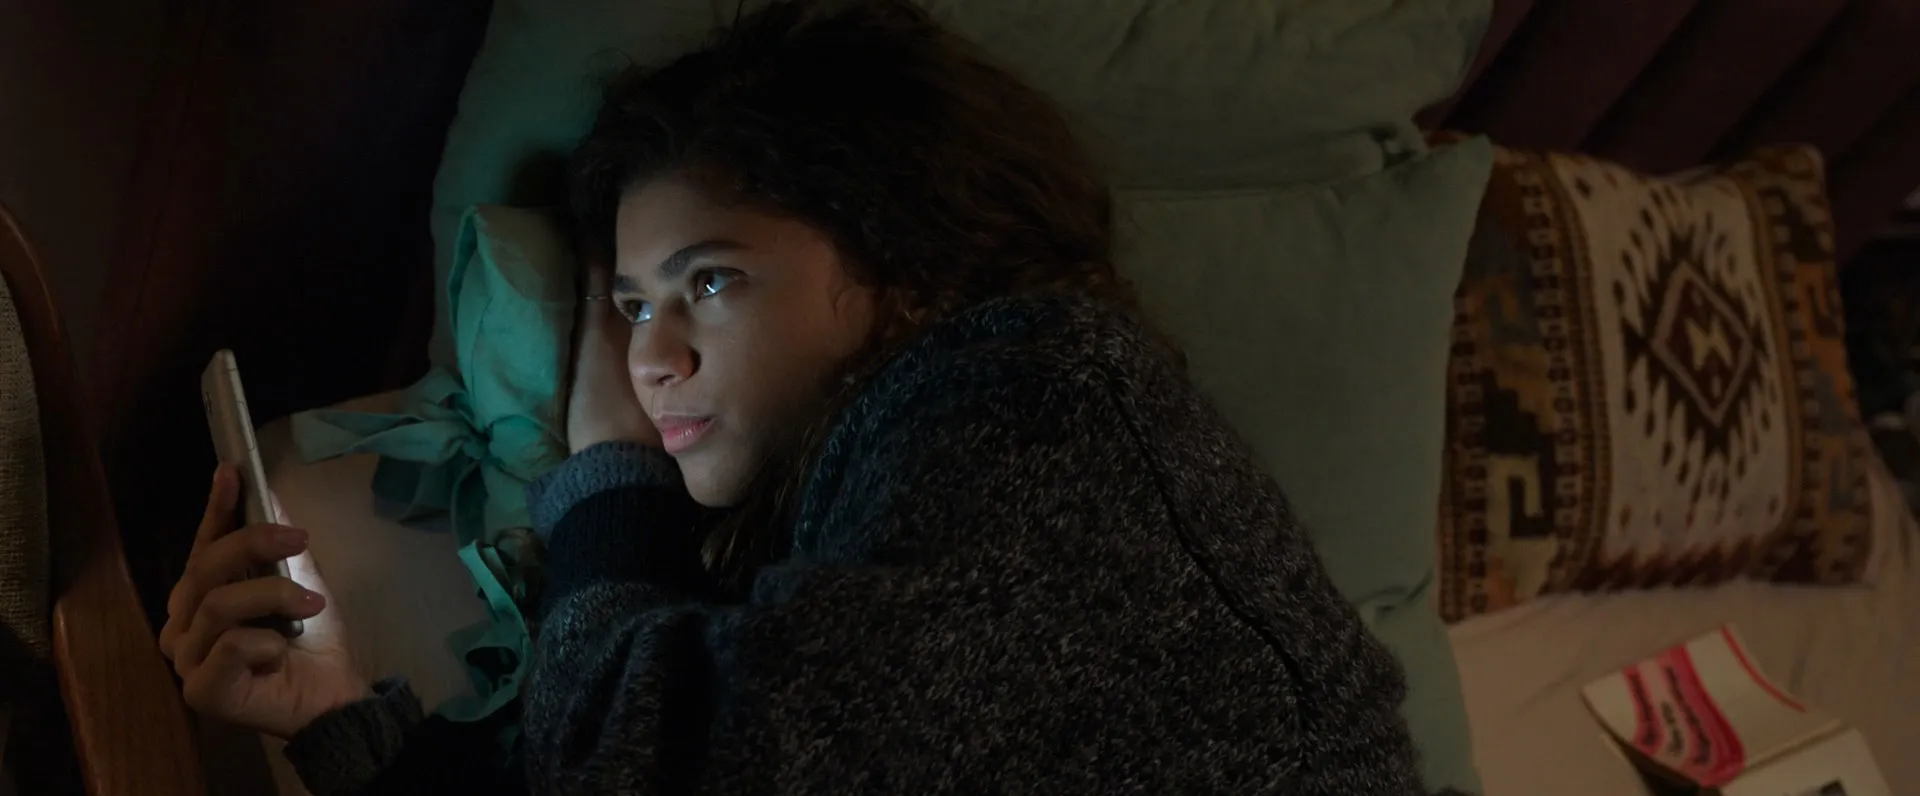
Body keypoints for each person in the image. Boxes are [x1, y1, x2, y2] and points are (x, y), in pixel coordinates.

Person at [158, 1, 1451, 793]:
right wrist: (338, 723)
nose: (651, 355)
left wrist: (610, 482)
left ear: (905, 257)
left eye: (710, 283)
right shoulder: (850, 515)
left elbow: (656, 772)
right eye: (630, 308)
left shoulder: (1038, 400)